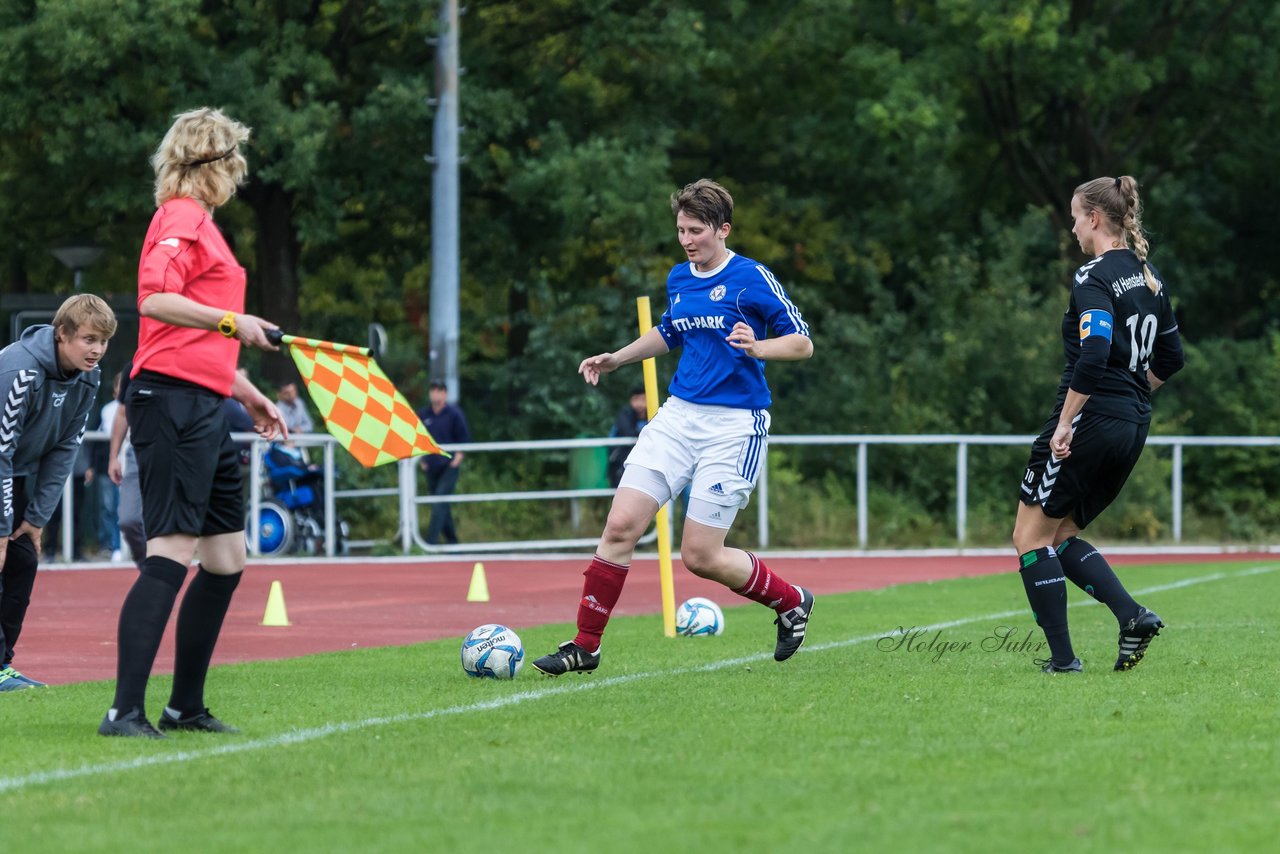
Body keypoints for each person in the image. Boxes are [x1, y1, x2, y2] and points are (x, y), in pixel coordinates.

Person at [531, 178, 815, 677]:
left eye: (697, 231)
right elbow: (669, 332)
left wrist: (759, 348)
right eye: (681, 230)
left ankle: (791, 601)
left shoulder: (753, 278)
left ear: (722, 230)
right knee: (620, 526)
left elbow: (802, 343)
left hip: (734, 426)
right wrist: (617, 358)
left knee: (700, 556)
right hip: (678, 417)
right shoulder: (680, 278)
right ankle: (585, 646)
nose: (687, 240)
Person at [99, 107, 287, 738]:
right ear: (215, 163)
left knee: (227, 557)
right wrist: (238, 323)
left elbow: (198, 337)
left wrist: (249, 394)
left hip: (206, 401)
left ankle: (184, 707)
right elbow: (153, 300)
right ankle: (124, 711)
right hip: (170, 402)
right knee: (171, 553)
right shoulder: (180, 215)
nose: (240, 173)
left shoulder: (204, 224)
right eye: (234, 161)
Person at [1012, 175, 1185, 675]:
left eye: (1073, 217)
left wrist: (1068, 423)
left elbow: (1093, 352)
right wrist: (1128, 396)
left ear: (1094, 218)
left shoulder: (1094, 276)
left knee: (1029, 537)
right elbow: (1171, 358)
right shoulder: (1149, 276)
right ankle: (1131, 616)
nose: (1071, 228)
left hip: (1090, 419)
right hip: (1132, 423)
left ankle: (1063, 660)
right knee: (1061, 531)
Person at [1, 294, 116, 691]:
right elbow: (0, 450)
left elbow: (67, 445)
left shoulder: (90, 377)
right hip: (1, 464)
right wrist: (2, 527)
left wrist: (36, 518)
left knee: (22, 562)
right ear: (62, 334)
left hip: (11, 474)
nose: (96, 350)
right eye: (88, 339)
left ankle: (2, 666)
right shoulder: (19, 370)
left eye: (103, 341)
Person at [416, 380, 470, 545]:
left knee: (439, 500)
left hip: (448, 466)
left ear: (445, 394)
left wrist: (457, 459)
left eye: (439, 390)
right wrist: (422, 460)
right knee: (440, 503)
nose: (435, 393)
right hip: (431, 466)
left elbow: (464, 438)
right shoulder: (424, 414)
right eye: (433, 390)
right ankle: (453, 543)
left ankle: (429, 543)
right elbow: (417, 438)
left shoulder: (454, 414)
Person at [107, 359, 146, 568]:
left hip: (175, 454)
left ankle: (161, 573)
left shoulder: (182, 363)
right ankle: (147, 567)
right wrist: (113, 457)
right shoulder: (133, 368)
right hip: (138, 453)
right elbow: (122, 413)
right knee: (128, 520)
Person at [97, 372, 124, 561]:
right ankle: (116, 547)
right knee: (114, 508)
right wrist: (113, 459)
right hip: (118, 467)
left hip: (142, 467)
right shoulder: (108, 410)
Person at [607, 386, 649, 487]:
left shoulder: (655, 413)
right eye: (636, 399)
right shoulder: (625, 414)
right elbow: (628, 432)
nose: (639, 403)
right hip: (622, 461)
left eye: (643, 399)